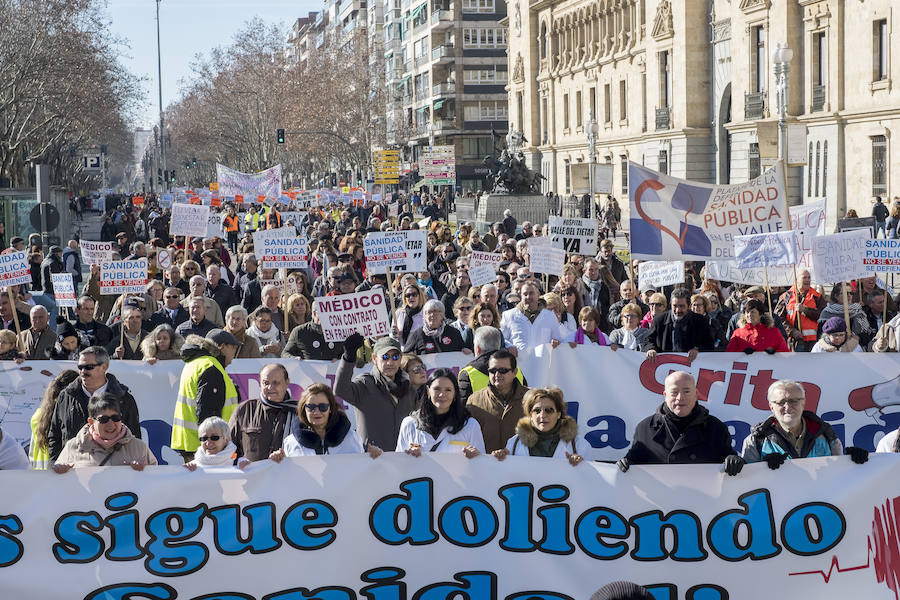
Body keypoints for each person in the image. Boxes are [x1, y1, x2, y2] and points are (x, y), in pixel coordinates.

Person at [617, 371, 743, 475]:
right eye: (674, 392)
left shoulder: (716, 428)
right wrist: (626, 464)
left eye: (686, 391)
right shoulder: (645, 428)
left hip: (704, 501)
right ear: (665, 395)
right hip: (659, 503)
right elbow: (634, 461)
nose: (680, 398)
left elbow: (728, 460)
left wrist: (733, 461)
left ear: (695, 394)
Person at [741, 379, 868, 468]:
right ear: (771, 406)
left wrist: (852, 463)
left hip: (820, 504)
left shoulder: (826, 434)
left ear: (803, 403)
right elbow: (748, 484)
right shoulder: (756, 440)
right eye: (780, 402)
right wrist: (762, 468)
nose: (787, 407)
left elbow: (840, 476)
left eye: (793, 401)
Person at [48, 346, 141, 462]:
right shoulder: (66, 396)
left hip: (114, 472)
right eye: (80, 367)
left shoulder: (124, 398)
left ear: (104, 367)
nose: (83, 372)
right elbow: (54, 435)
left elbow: (134, 437)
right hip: (73, 473)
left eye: (88, 367)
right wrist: (56, 465)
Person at [334, 334, 417, 450]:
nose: (390, 362)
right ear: (374, 359)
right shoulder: (365, 384)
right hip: (373, 460)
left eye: (395, 357)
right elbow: (340, 390)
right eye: (385, 357)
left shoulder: (409, 388)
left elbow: (418, 425)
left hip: (403, 460)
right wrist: (348, 357)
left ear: (400, 359)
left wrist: (416, 447)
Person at [171, 329, 241, 461]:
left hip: (194, 443)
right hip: (207, 448)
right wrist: (213, 443)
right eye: (234, 347)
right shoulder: (210, 366)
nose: (235, 353)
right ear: (222, 347)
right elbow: (208, 411)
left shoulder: (195, 363)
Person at [52, 393, 156, 472]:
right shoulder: (73, 447)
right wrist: (60, 472)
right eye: (103, 419)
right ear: (91, 422)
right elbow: (59, 487)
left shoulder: (139, 447)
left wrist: (146, 470)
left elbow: (156, 481)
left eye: (115, 418)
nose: (110, 424)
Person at [271, 383, 377, 458]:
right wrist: (278, 462)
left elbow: (363, 472)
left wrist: (376, 457)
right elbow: (286, 478)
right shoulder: (291, 442)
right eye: (311, 407)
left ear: (330, 408)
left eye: (323, 407)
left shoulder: (351, 438)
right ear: (304, 409)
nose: (317, 412)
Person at [396, 368, 484, 457]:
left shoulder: (470, 425)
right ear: (428, 390)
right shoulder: (410, 424)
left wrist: (475, 457)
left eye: (448, 390)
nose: (442, 394)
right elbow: (399, 463)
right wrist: (408, 456)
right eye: (437, 389)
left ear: (455, 393)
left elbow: (480, 464)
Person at [492, 387, 589, 465]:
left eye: (549, 410)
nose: (542, 415)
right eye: (537, 410)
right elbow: (506, 477)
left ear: (558, 414)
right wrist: (498, 459)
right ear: (530, 414)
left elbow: (591, 480)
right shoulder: (514, 443)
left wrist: (582, 465)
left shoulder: (579, 445)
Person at [229, 364, 298, 463]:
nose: (270, 387)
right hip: (253, 477)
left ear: (287, 383)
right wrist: (238, 462)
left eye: (276, 383)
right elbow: (227, 448)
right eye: (266, 383)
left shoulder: (300, 412)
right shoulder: (244, 410)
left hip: (289, 475)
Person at [466, 349, 528, 453]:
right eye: (493, 371)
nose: (497, 374)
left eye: (503, 370)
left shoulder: (531, 398)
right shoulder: (474, 400)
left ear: (514, 372)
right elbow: (467, 437)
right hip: (486, 465)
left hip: (521, 465)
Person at [642, 288, 714, 362]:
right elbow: (648, 340)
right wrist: (651, 349)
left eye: (681, 306)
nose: (678, 310)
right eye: (675, 306)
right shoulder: (659, 321)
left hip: (691, 367)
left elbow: (709, 344)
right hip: (665, 366)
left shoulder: (701, 321)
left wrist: (697, 349)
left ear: (689, 306)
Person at [29, 369, 80, 469]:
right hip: (62, 473)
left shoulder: (37, 416)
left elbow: (32, 450)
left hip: (40, 473)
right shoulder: (69, 416)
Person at [500, 281, 561, 354]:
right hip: (519, 362)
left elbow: (557, 338)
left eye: (531, 293)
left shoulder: (550, 316)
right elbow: (502, 338)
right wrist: (509, 346)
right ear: (521, 296)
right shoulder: (509, 315)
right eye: (525, 294)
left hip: (542, 362)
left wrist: (556, 342)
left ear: (538, 295)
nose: (528, 297)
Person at [779, 269, 824, 351]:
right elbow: (779, 318)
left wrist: (806, 310)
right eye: (804, 278)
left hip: (813, 342)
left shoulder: (817, 296)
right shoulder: (786, 297)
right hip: (793, 342)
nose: (807, 280)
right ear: (796, 280)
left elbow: (823, 316)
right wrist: (792, 331)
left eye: (809, 277)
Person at [183, 416, 250, 470]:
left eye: (214, 438)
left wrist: (248, 468)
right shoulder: (192, 467)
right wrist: (186, 473)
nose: (208, 443)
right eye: (204, 438)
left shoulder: (239, 463)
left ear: (226, 440)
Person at [403, 299, 468, 354]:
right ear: (424, 316)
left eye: (436, 311)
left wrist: (465, 351)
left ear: (442, 314)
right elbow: (406, 356)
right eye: (429, 312)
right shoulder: (417, 335)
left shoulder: (454, 333)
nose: (432, 315)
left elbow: (462, 351)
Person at [726, 299, 790, 353]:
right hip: (746, 366)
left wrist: (774, 353)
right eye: (747, 312)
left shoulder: (774, 332)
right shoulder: (738, 333)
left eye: (753, 312)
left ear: (760, 314)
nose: (749, 315)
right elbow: (729, 354)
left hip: (767, 366)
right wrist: (742, 352)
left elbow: (784, 352)